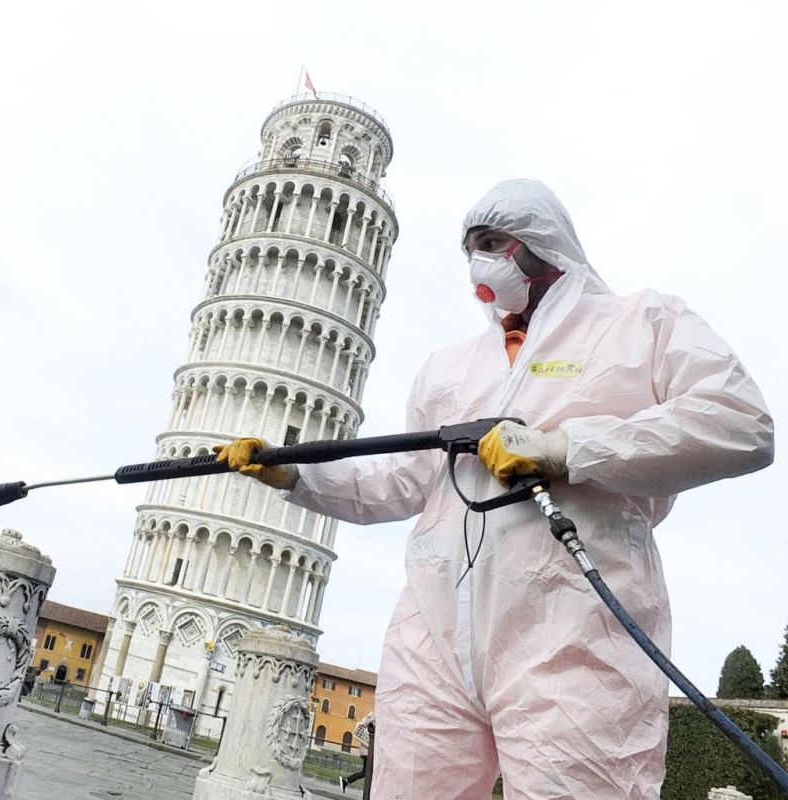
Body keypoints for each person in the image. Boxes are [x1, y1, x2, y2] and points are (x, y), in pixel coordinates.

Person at [215, 180, 774, 799]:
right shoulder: (451, 366)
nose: (479, 262)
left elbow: (738, 423)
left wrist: (566, 449)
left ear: (542, 241)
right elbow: (403, 478)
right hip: (434, 636)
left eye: (492, 243)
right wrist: (295, 473)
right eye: (470, 249)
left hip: (572, 636)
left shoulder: (640, 323)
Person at [340, 713, 375, 793]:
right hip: (366, 751)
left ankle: (346, 781)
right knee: (366, 772)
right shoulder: (371, 717)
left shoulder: (372, 717)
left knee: (367, 772)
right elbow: (366, 722)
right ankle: (346, 781)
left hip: (367, 751)